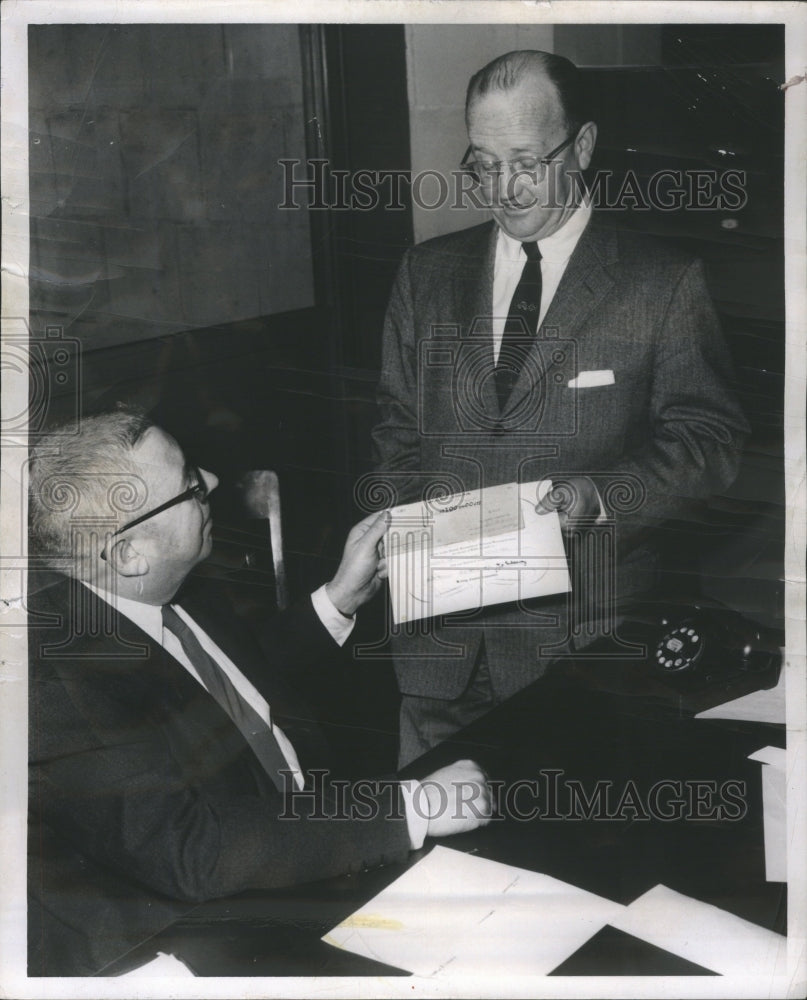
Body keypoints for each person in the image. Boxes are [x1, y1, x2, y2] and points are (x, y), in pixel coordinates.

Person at [372, 49, 750, 766]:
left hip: (582, 647)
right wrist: (413, 558)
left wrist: (601, 498)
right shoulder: (425, 273)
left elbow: (710, 441)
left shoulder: (660, 283)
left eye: (524, 160)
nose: (503, 188)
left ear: (580, 146)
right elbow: (395, 428)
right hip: (435, 647)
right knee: (427, 849)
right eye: (481, 163)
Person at [27, 407, 491, 976]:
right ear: (129, 554)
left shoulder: (168, 584)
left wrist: (338, 598)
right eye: (192, 486)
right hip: (228, 923)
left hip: (315, 839)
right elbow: (195, 851)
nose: (215, 484)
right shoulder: (55, 685)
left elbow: (222, 677)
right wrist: (411, 807)